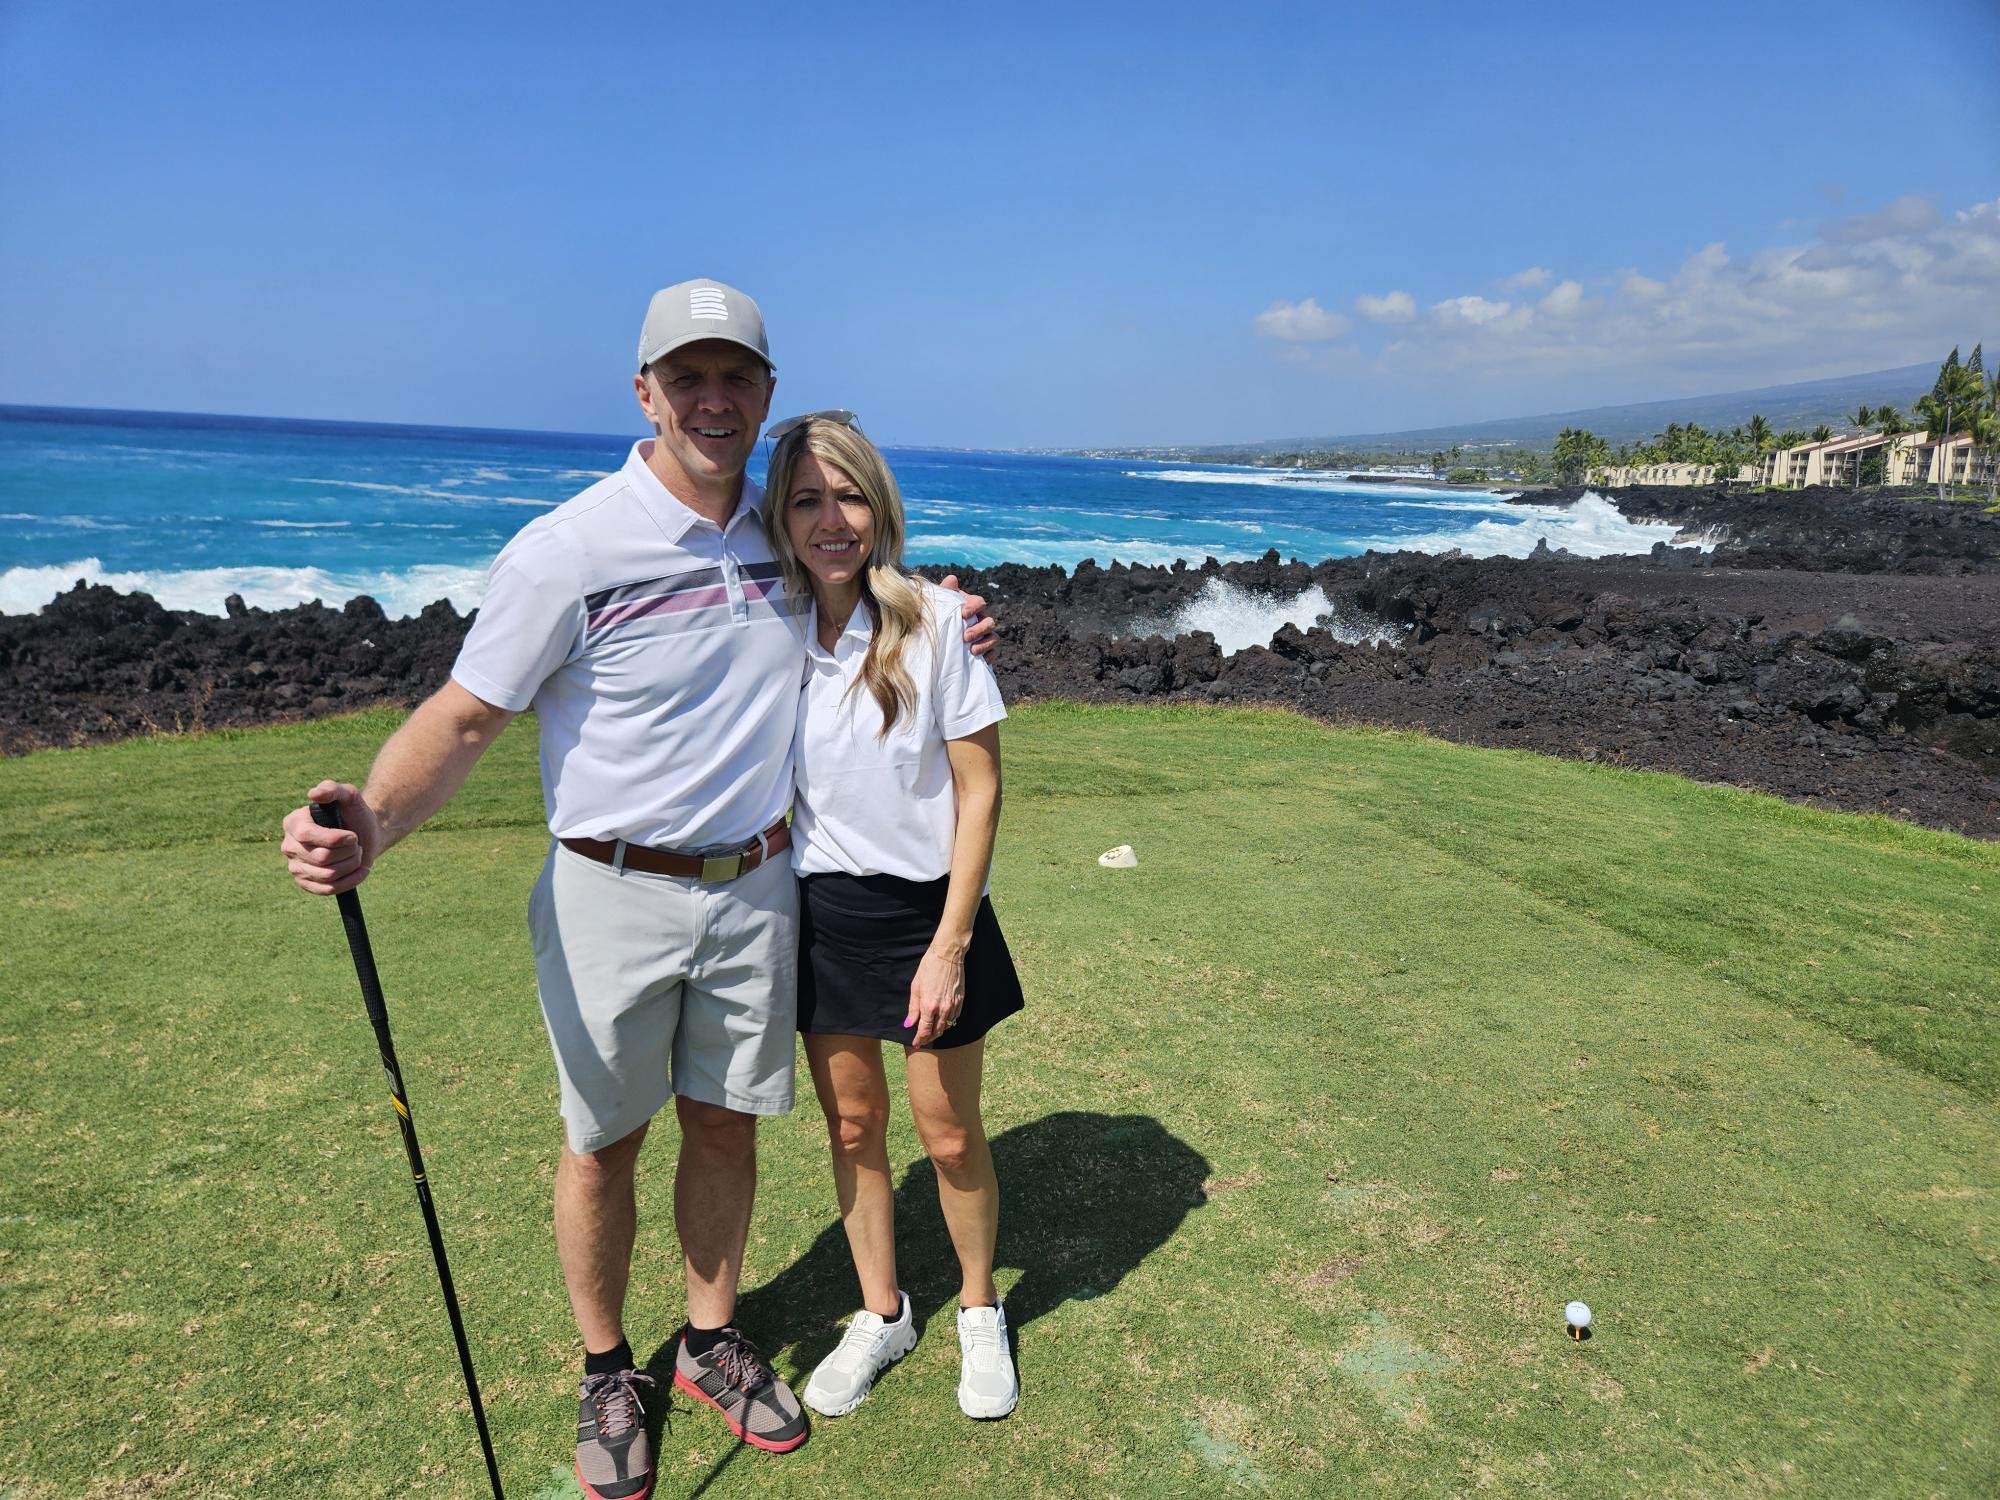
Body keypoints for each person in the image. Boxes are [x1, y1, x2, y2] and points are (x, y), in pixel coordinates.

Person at [278, 281, 992, 1500]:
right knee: (602, 1143)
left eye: (736, 378)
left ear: (764, 396)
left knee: (723, 1121)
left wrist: (948, 614)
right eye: (687, 377)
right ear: (644, 392)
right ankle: (610, 1369)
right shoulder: (569, 547)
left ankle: (709, 1336)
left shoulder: (782, 533)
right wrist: (373, 830)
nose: (712, 399)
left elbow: (863, 580)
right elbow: (464, 717)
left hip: (762, 882)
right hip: (609, 889)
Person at [760, 414, 1024, 1423]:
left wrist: (950, 944)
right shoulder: (774, 625)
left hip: (929, 914)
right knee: (854, 1125)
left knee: (948, 1135)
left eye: (849, 496)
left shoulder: (939, 622)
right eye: (805, 501)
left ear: (880, 505)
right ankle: (882, 1312)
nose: (831, 521)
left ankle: (976, 1306)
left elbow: (980, 786)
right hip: (824, 909)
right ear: (781, 519)